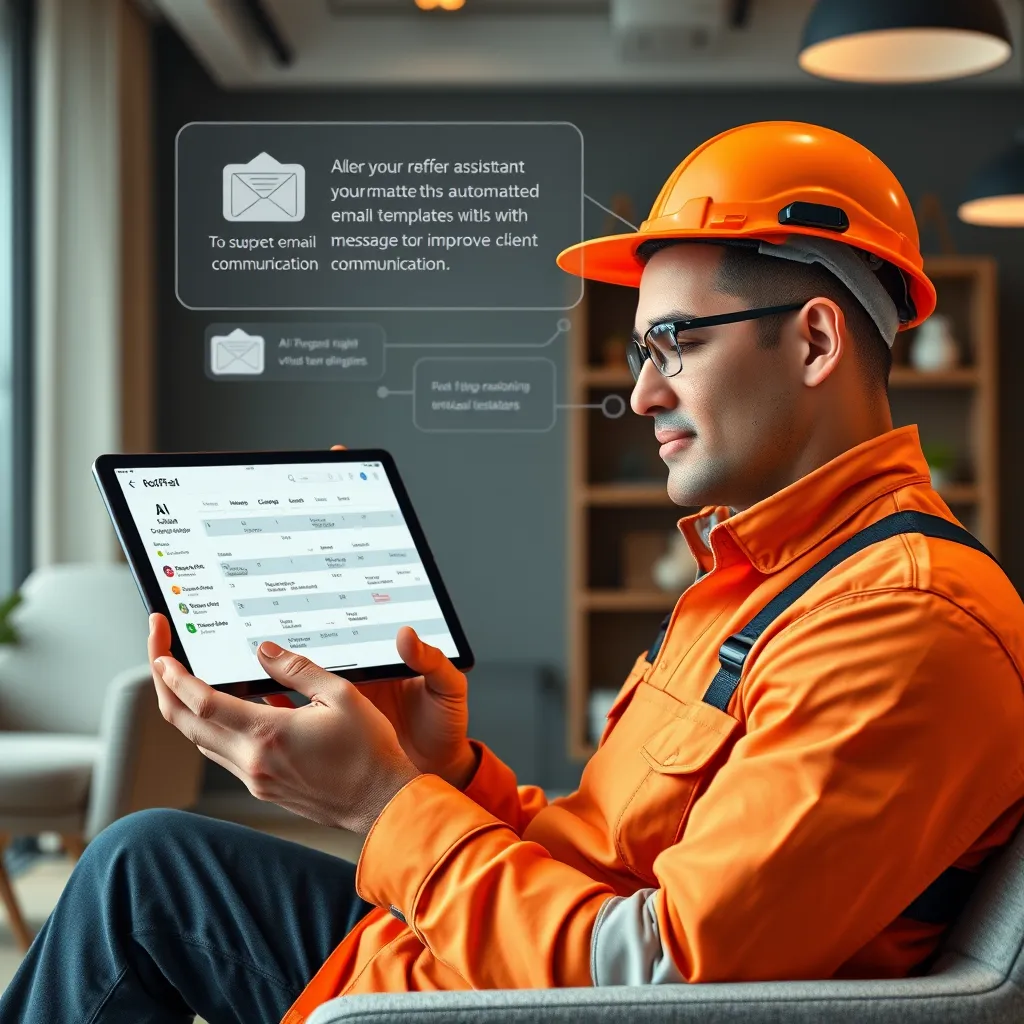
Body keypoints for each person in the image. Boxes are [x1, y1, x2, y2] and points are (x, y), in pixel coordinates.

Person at [4, 120, 1024, 1024]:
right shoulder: (771, 579)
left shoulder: (903, 622)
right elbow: (605, 858)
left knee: (136, 883)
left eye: (671, 344)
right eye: (637, 353)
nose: (639, 392)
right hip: (467, 957)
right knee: (145, 866)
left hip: (503, 1000)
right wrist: (443, 770)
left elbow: (666, 977)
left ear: (812, 339)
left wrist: (381, 803)